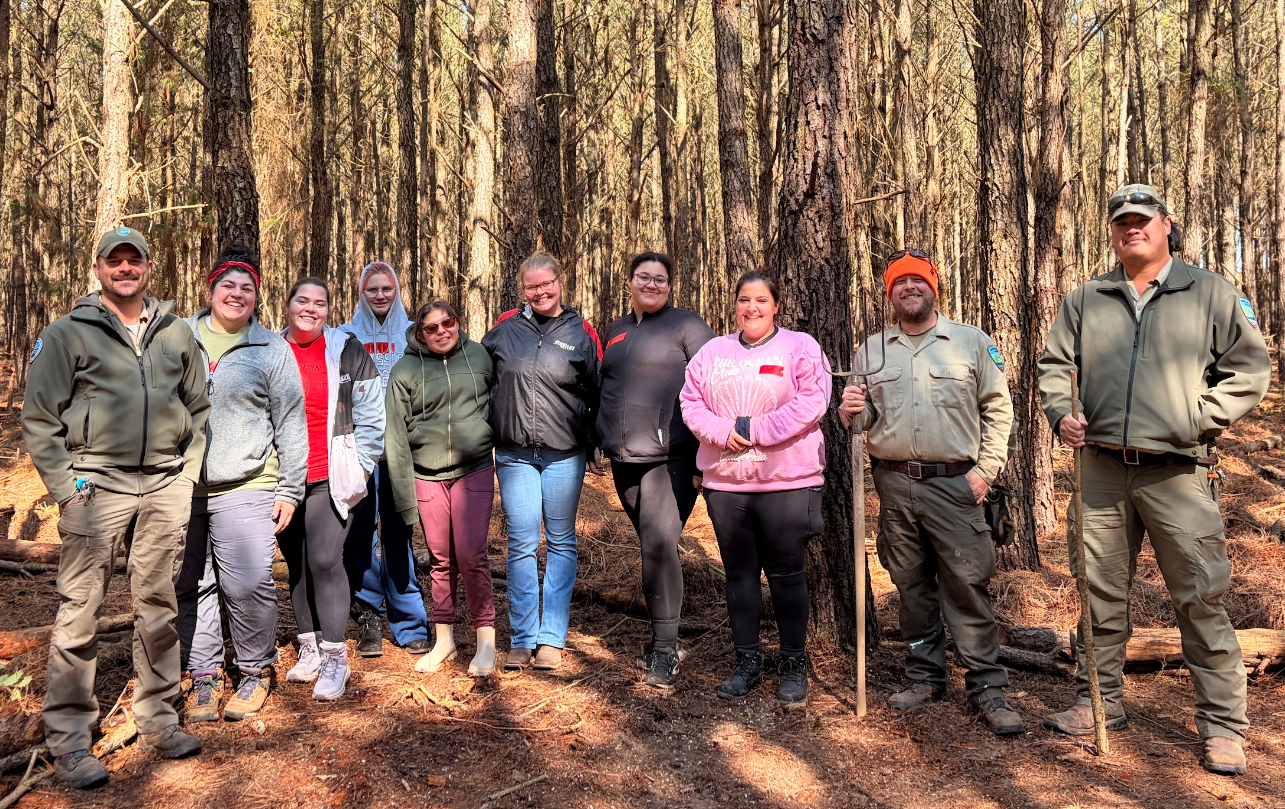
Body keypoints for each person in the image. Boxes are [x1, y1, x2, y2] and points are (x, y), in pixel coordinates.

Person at [1038, 184, 1271, 775]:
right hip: (1102, 471)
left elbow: (1250, 370)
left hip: (1179, 472)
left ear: (1166, 225)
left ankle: (1222, 726)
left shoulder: (1210, 293)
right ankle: (1100, 703)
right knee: (1098, 594)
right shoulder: (1088, 298)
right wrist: (1061, 412)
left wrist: (1198, 417)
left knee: (1200, 598)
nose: (1131, 229)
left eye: (1142, 220)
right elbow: (1056, 365)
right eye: (1122, 222)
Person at [22, 226, 209, 788]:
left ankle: (158, 715)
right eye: (114, 261)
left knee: (157, 604)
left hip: (164, 485)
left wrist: (186, 474)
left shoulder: (175, 332)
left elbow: (198, 408)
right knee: (80, 609)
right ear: (99, 268)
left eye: (134, 260)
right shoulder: (67, 333)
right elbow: (40, 419)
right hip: (95, 486)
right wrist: (66, 487)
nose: (125, 269)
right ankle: (71, 740)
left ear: (149, 267)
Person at [839, 249, 1023, 736]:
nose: (910, 289)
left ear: (933, 287)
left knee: (967, 583)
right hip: (895, 484)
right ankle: (924, 675)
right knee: (911, 584)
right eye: (900, 283)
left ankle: (985, 684)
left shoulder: (970, 343)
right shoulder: (872, 350)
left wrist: (984, 471)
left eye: (918, 281)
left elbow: (998, 410)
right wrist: (851, 411)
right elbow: (867, 422)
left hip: (955, 484)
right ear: (890, 293)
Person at [679, 271, 829, 709]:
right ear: (735, 305)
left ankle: (793, 664)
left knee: (786, 574)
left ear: (776, 305)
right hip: (727, 483)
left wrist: (754, 429)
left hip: (788, 481)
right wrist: (723, 431)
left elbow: (813, 400)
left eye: (761, 300)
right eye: (744, 300)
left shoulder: (801, 347)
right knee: (740, 575)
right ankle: (747, 661)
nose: (752, 308)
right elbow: (691, 402)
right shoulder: (712, 352)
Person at [175, 245, 308, 722]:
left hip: (248, 483)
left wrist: (291, 489)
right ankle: (204, 675)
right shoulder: (178, 336)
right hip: (180, 485)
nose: (236, 294)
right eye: (227, 286)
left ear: (257, 298)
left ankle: (254, 671)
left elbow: (292, 422)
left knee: (248, 583)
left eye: (246, 289)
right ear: (210, 290)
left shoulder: (270, 349)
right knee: (192, 582)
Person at [598, 252, 714, 689]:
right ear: (629, 281)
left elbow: (712, 387)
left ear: (670, 285)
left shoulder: (688, 326)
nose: (651, 284)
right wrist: (598, 436)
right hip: (623, 460)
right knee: (650, 543)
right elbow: (605, 385)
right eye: (643, 277)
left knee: (659, 544)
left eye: (660, 279)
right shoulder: (616, 330)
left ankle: (665, 651)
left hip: (672, 459)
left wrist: (709, 453)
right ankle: (662, 639)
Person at [482, 253, 602, 672]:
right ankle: (522, 637)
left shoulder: (581, 333)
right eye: (532, 287)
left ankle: (552, 637)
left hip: (563, 455)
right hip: (514, 455)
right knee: (520, 544)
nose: (540, 291)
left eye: (546, 283)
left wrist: (593, 443)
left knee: (561, 541)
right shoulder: (504, 331)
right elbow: (482, 383)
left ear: (560, 282)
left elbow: (597, 389)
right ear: (523, 291)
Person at [278, 277, 386, 701]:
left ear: (329, 309)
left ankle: (336, 657)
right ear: (286, 305)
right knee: (296, 560)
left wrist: (360, 467)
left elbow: (372, 413)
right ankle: (309, 648)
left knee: (325, 558)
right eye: (302, 300)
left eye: (320, 303)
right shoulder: (270, 350)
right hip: (283, 479)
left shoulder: (347, 349)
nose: (311, 309)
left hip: (330, 474)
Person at [386, 302, 499, 676]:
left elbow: (499, 404)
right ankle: (444, 640)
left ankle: (486, 642)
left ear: (458, 323)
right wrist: (404, 498)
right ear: (420, 333)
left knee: (472, 555)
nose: (440, 331)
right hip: (427, 474)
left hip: (475, 469)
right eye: (430, 328)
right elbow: (396, 438)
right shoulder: (404, 370)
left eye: (446, 323)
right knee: (440, 558)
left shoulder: (480, 356)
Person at [338, 261, 431, 658]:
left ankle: (409, 620)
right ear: (361, 292)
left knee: (398, 533)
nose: (380, 295)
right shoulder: (345, 335)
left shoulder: (414, 335)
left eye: (386, 289)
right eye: (372, 289)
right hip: (358, 451)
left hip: (400, 451)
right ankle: (368, 614)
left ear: (397, 291)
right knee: (359, 534)